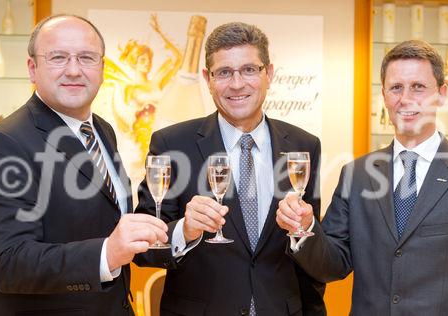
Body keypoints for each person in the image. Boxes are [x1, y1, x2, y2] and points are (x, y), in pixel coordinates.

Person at [277, 40, 448, 315]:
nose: (406, 98)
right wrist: (303, 229)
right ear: (384, 96)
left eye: (418, 87)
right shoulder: (357, 174)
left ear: (442, 94)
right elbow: (333, 265)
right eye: (396, 87)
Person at [135, 22, 326, 315]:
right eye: (224, 72)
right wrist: (184, 231)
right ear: (207, 79)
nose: (237, 84)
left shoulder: (304, 146)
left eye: (250, 70)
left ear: (269, 74)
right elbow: (144, 248)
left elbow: (307, 253)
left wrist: (304, 228)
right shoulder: (172, 144)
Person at [0, 14, 168, 315]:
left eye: (86, 57)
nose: (74, 70)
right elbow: (7, 263)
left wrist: (180, 231)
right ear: (32, 69)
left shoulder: (103, 131)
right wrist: (106, 253)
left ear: (102, 68)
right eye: (58, 57)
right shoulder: (4, 143)